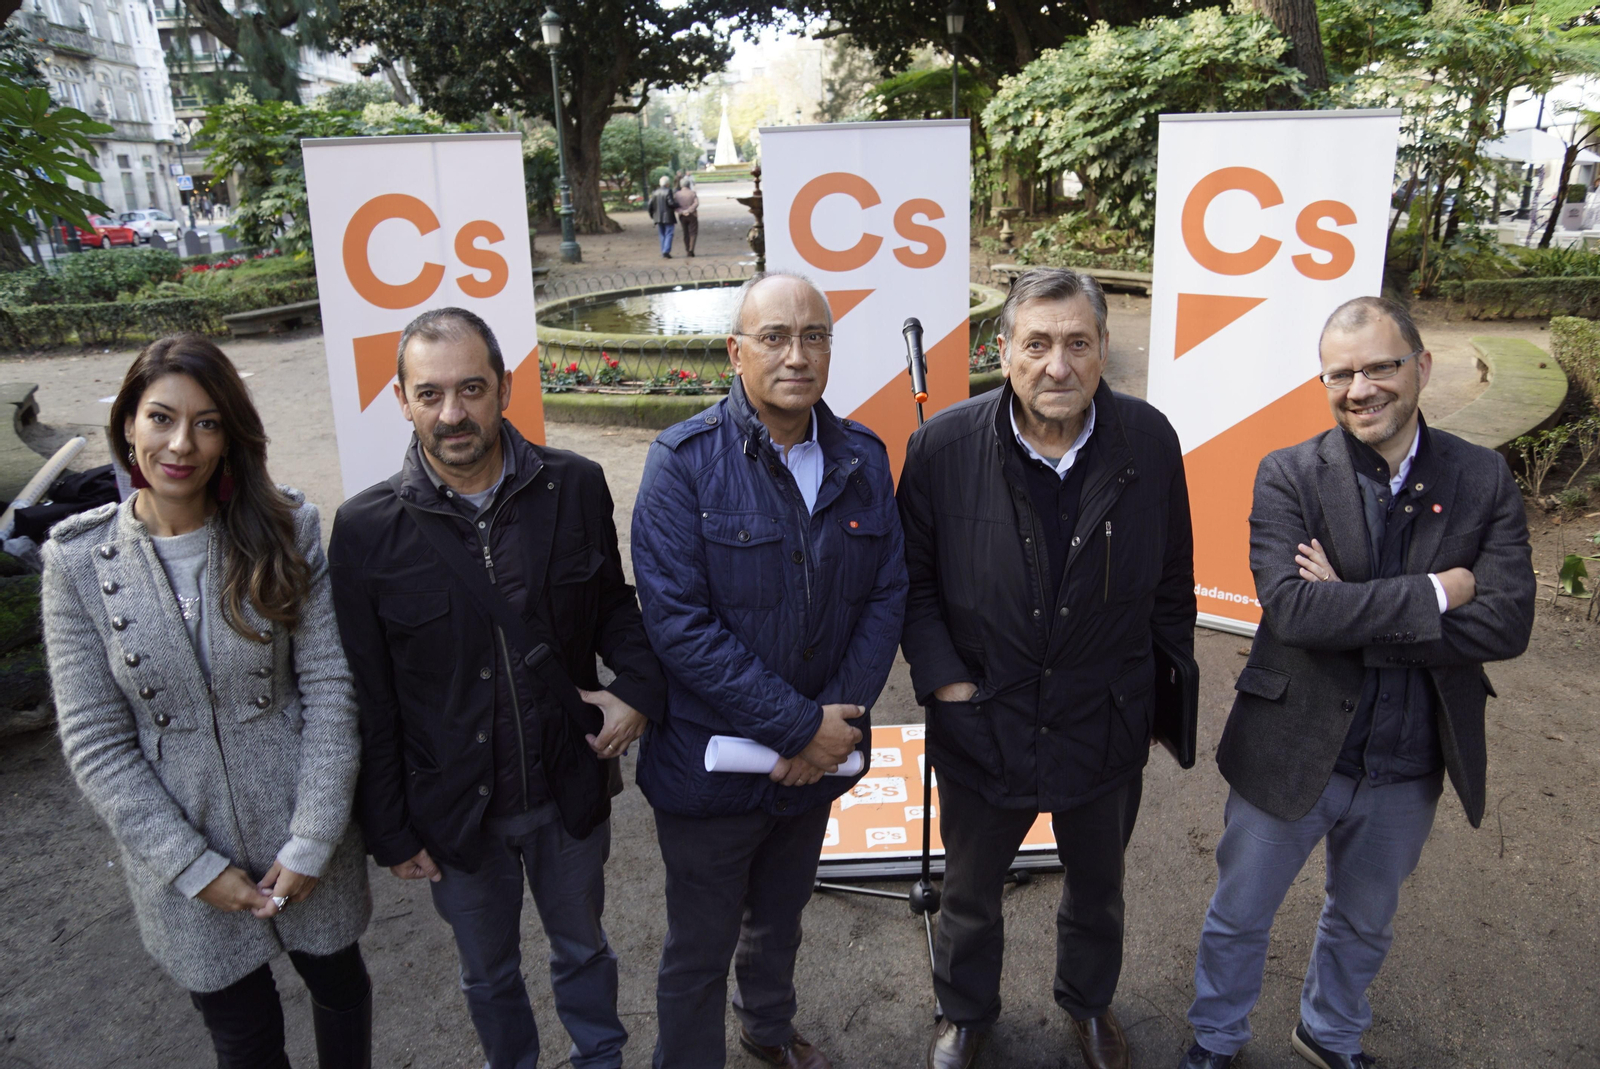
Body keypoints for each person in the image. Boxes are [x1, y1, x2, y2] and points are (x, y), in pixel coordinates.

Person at [1176, 297, 1536, 1069]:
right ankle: (1216, 1036)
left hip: (1408, 761)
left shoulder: (1482, 478)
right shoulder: (1290, 475)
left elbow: (1509, 625)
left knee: (1365, 920)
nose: (1360, 387)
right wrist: (1439, 592)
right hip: (1292, 742)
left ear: (1422, 368)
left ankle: (1329, 1034)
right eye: (1340, 372)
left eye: (1380, 366)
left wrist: (1352, 601)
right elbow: (1297, 610)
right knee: (1240, 912)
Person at [329, 307, 663, 1069]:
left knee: (584, 948)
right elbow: (369, 693)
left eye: (472, 388)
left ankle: (599, 1059)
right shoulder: (365, 530)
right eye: (432, 393)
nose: (453, 413)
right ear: (401, 398)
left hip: (566, 783)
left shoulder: (573, 485)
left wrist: (638, 689)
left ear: (505, 387)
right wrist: (389, 827)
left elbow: (613, 603)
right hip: (453, 811)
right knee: (488, 972)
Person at [41, 335, 372, 1069]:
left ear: (231, 437)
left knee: (340, 988)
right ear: (128, 422)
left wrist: (314, 837)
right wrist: (191, 865)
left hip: (302, 822)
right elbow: (97, 742)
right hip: (179, 841)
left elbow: (329, 688)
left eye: (207, 423)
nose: (180, 443)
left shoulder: (287, 527)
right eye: (161, 417)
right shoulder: (75, 560)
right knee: (243, 1037)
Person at [898, 267, 1196, 1069]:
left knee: (1098, 887)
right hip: (982, 716)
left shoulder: (1151, 440)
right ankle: (965, 1012)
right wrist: (948, 685)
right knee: (967, 892)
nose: (1056, 365)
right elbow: (913, 586)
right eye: (1037, 344)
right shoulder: (940, 447)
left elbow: (1173, 580)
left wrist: (1158, 698)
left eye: (1077, 343)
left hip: (1103, 718)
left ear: (1103, 351)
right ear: (1003, 351)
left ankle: (1089, 1003)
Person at [631, 272, 908, 1069]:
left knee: (780, 918)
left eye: (814, 335)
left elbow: (885, 593)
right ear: (736, 351)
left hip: (815, 759)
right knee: (699, 944)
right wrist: (799, 727)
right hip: (712, 772)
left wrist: (830, 725)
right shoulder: (681, 464)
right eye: (776, 337)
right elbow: (678, 625)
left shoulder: (862, 455)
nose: (798, 354)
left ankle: (768, 1029)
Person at [648, 175, 677, 259]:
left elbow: (650, 205)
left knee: (662, 234)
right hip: (668, 216)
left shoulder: (655, 192)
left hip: (658, 217)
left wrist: (652, 215)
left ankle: (663, 250)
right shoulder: (668, 191)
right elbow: (671, 203)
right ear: (667, 184)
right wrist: (677, 204)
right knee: (669, 233)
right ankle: (666, 251)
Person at [673, 177, 700, 258]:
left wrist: (682, 211)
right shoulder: (692, 193)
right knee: (693, 232)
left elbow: (675, 205)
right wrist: (689, 210)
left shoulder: (677, 194)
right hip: (692, 215)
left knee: (685, 233)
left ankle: (687, 249)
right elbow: (696, 203)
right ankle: (691, 249)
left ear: (681, 185)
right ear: (688, 185)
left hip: (682, 216)